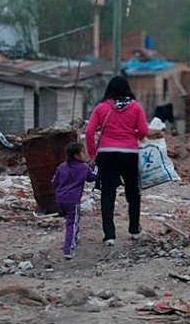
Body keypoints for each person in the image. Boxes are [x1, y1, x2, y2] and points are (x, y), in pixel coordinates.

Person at [85, 76, 149, 245]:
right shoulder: (136, 107)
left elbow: (90, 132)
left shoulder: (101, 108)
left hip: (106, 154)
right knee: (133, 192)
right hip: (129, 153)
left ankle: (110, 235)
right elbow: (143, 130)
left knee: (108, 193)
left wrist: (92, 153)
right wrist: (133, 136)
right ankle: (134, 229)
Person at [51, 142, 98, 259]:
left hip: (60, 199)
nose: (85, 154)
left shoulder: (62, 166)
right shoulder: (83, 167)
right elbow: (92, 177)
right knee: (72, 223)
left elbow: (54, 182)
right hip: (73, 200)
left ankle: (74, 239)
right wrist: (96, 167)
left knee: (71, 221)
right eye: (83, 152)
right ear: (77, 155)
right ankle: (68, 249)